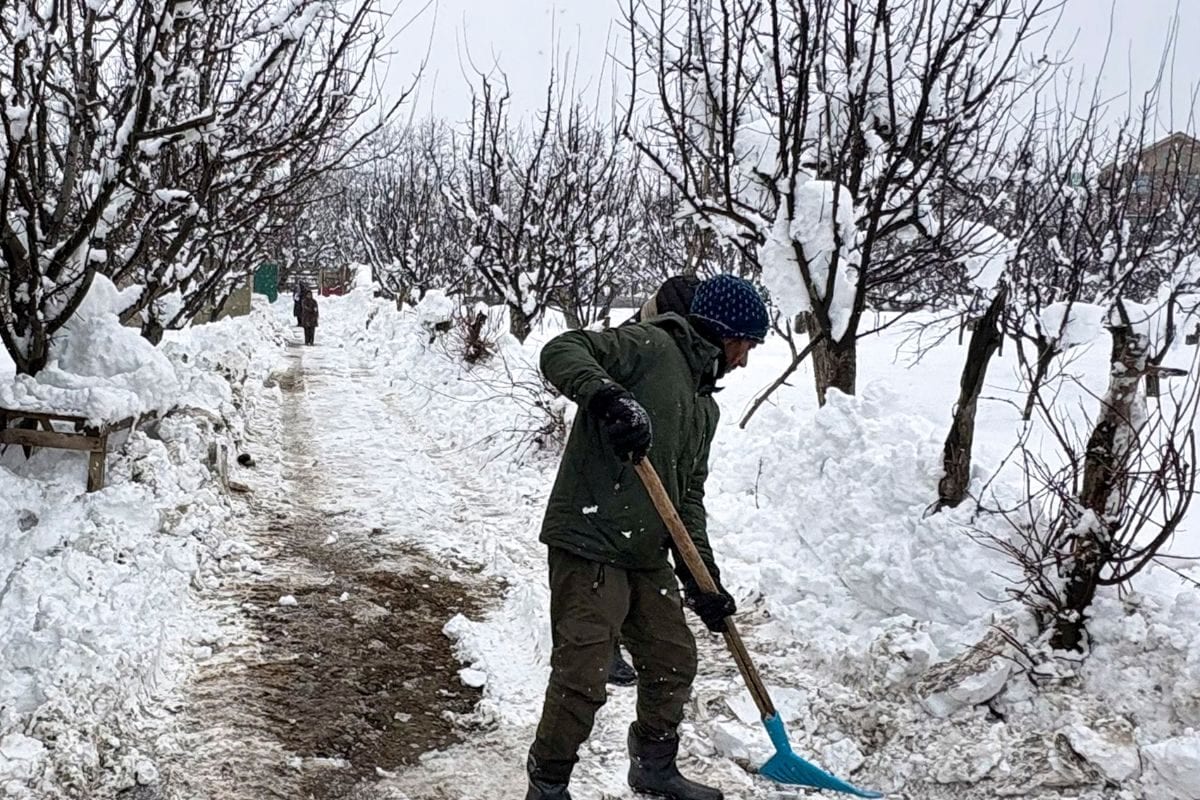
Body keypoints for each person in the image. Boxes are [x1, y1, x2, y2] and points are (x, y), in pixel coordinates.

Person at [526, 274, 769, 800]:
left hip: (646, 552)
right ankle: (547, 784)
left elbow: (687, 500)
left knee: (671, 659)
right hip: (589, 537)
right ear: (719, 330)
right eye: (742, 344)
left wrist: (704, 579)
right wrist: (607, 397)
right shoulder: (649, 346)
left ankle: (653, 767)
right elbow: (562, 348)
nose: (744, 360)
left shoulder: (706, 408)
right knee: (583, 673)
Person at [608, 273, 702, 687]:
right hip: (613, 461)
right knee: (603, 562)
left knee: (639, 555)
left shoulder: (689, 357)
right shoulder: (640, 341)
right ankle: (604, 643)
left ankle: (627, 634)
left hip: (654, 460)